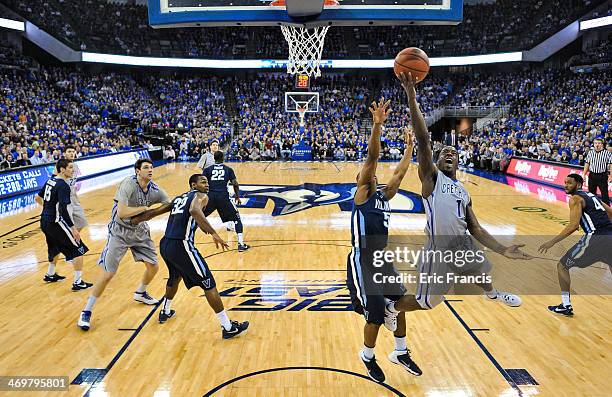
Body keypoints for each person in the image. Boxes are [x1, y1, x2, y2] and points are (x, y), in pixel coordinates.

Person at [395, 72, 530, 313]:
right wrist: (411, 97)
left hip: (462, 244)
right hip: (438, 250)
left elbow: (475, 228)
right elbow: (423, 139)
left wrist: (502, 249)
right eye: (444, 152)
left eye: (453, 153)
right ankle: (391, 309)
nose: (448, 153)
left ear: (458, 160)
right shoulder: (432, 178)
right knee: (426, 303)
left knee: (479, 269)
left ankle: (492, 294)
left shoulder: (464, 191)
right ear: (436, 160)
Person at [346, 98, 421, 383]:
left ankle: (400, 352)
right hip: (362, 259)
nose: (373, 174)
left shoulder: (383, 196)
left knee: (401, 302)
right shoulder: (363, 194)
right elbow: (372, 159)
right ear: (361, 180)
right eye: (367, 174)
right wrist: (377, 125)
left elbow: (399, 173)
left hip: (381, 259)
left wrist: (410, 148)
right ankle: (367, 356)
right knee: (375, 315)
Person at [77, 158, 172, 331]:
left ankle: (141, 292)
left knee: (154, 266)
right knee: (108, 274)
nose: (150, 170)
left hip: (140, 232)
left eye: (151, 167)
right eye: (146, 167)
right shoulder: (128, 184)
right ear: (137, 171)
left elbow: (168, 204)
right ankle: (86, 311)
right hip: (119, 232)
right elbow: (122, 212)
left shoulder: (155, 189)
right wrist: (145, 209)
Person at [157, 174, 249, 339]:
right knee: (209, 283)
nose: (207, 185)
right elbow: (194, 210)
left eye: (207, 182)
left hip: (165, 244)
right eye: (203, 182)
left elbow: (157, 211)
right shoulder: (200, 196)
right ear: (193, 185)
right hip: (181, 245)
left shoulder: (179, 198)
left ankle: (165, 310)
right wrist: (214, 233)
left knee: (175, 276)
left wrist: (136, 219)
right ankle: (228, 327)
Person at [538, 174, 612, 316]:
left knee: (562, 266)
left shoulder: (575, 199)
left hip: (595, 238)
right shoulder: (592, 195)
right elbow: (611, 213)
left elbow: (573, 226)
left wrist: (551, 242)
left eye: (569, 183)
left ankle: (566, 305)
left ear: (578, 184)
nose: (566, 185)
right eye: (565, 182)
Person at [35, 159, 92, 291]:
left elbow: (37, 198)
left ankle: (50, 274)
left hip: (44, 221)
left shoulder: (51, 180)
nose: (74, 170)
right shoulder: (63, 186)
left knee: (54, 247)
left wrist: (48, 208)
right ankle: (78, 282)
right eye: (71, 168)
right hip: (55, 222)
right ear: (62, 169)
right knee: (79, 249)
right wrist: (73, 228)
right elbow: (63, 209)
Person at [203, 151, 250, 252]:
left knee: (199, 217)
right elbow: (235, 183)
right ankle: (241, 244)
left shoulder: (207, 170)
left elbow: (202, 184)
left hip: (210, 197)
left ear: (214, 158)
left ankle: (186, 240)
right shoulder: (228, 169)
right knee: (236, 218)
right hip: (223, 197)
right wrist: (237, 196)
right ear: (223, 158)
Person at [63, 146, 88, 231]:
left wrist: (76, 197)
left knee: (81, 222)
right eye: (69, 151)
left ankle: (72, 240)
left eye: (73, 151)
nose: (72, 153)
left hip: (73, 197)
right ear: (64, 154)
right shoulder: (60, 166)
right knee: (69, 225)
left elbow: (72, 184)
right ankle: (70, 242)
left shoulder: (75, 166)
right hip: (63, 198)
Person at [583, 138, 612, 205]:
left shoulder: (607, 153)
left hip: (602, 176)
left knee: (604, 194)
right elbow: (587, 163)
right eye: (595, 143)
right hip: (592, 175)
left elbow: (611, 165)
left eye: (599, 143)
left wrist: (610, 176)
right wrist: (584, 174)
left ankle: (607, 210)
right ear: (593, 144)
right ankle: (593, 207)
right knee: (591, 193)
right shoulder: (590, 152)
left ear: (602, 144)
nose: (597, 145)